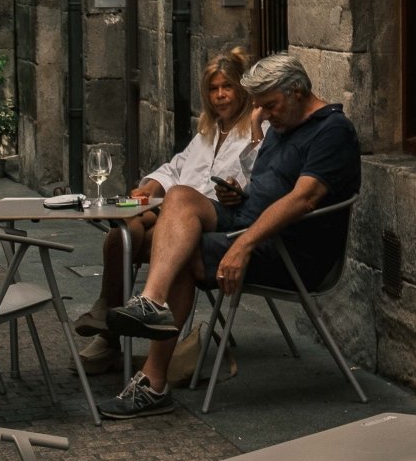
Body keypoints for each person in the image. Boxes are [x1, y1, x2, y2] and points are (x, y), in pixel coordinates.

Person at [100, 51, 361, 419]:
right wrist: (237, 191)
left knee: (187, 256)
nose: (265, 115)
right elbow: (264, 185)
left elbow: (303, 199)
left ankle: (153, 383)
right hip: (247, 219)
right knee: (179, 197)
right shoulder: (282, 125)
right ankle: (151, 301)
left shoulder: (332, 131)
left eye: (269, 105)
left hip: (287, 250)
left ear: (298, 91)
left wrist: (243, 244)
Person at [73, 46, 263, 375]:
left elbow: (262, 179)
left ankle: (108, 326)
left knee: (126, 238)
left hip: (214, 224)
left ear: (241, 89)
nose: (220, 96)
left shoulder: (256, 131)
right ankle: (109, 325)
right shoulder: (208, 132)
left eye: (227, 87)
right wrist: (153, 186)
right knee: (129, 226)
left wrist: (238, 190)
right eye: (213, 89)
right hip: (175, 217)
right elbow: (176, 168)